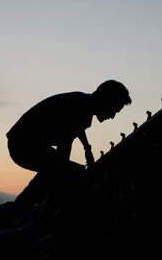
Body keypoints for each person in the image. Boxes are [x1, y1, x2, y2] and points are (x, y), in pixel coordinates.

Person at [7, 80, 132, 212]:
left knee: (61, 170)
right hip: (23, 144)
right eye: (114, 109)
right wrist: (64, 171)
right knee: (67, 172)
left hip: (26, 143)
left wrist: (87, 148)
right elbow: (65, 141)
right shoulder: (80, 108)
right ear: (105, 99)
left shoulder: (82, 104)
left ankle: (27, 205)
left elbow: (76, 128)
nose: (112, 116)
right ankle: (27, 207)